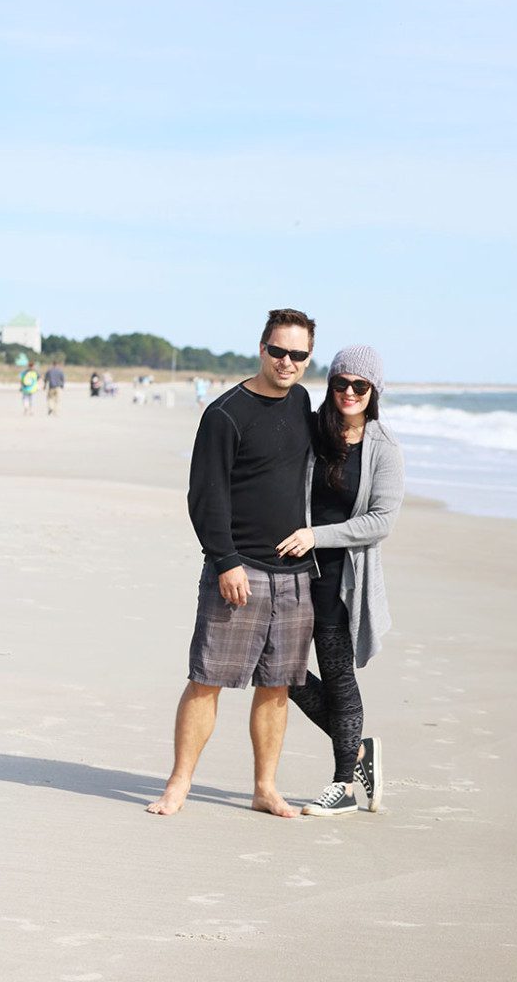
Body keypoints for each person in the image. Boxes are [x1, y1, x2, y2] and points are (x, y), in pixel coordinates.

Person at [147, 309, 317, 818]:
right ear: (261, 348)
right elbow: (205, 496)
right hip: (238, 569)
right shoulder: (225, 414)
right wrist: (224, 561)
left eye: (299, 354)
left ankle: (265, 787)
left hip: (293, 574)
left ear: (309, 358)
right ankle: (179, 783)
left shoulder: (304, 400)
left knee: (276, 685)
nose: (287, 362)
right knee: (208, 678)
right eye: (279, 351)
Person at [276, 345, 404, 816]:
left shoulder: (384, 448)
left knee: (338, 677)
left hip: (342, 580)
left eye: (360, 386)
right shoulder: (311, 431)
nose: (349, 393)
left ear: (374, 392)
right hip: (289, 570)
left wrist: (316, 535)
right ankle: (358, 752)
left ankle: (344, 783)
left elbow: (381, 521)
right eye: (341, 383)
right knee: (275, 668)